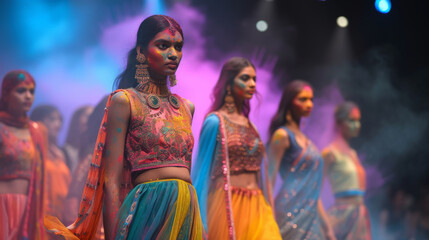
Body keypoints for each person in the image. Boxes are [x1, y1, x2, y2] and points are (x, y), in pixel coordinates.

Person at [45, 15, 204, 240]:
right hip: (149, 208)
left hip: (187, 208)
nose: (173, 54)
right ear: (141, 51)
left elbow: (186, 171)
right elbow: (111, 181)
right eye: (163, 45)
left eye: (178, 47)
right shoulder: (125, 101)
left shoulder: (187, 107)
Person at [193, 57, 281, 239]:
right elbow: (201, 174)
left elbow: (262, 175)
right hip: (227, 205)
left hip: (257, 206)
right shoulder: (215, 122)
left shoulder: (252, 126)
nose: (252, 84)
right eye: (245, 78)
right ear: (228, 84)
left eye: (254, 79)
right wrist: (200, 221)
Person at [268, 80, 335, 240]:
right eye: (303, 99)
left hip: (310, 216)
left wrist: (328, 229)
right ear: (290, 102)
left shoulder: (307, 140)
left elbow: (313, 191)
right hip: (289, 212)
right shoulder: (282, 136)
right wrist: (268, 219)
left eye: (311, 99)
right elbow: (268, 181)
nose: (309, 104)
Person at [0, 70, 47, 239]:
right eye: (21, 91)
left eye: (31, 91)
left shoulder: (36, 130)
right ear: (6, 94)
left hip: (29, 207)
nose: (28, 96)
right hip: (2, 206)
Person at [321, 102, 371, 239]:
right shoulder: (330, 153)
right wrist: (325, 223)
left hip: (359, 215)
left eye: (358, 121)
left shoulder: (353, 154)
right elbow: (315, 191)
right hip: (342, 216)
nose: (357, 125)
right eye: (351, 121)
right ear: (339, 123)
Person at [30, 105, 71, 225]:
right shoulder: (32, 150)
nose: (57, 124)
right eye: (52, 119)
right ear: (38, 121)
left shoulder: (60, 153)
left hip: (62, 215)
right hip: (40, 214)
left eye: (59, 120)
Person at [63, 105, 94, 174]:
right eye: (88, 116)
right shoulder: (64, 151)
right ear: (77, 119)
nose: (91, 121)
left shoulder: (93, 151)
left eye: (93, 117)